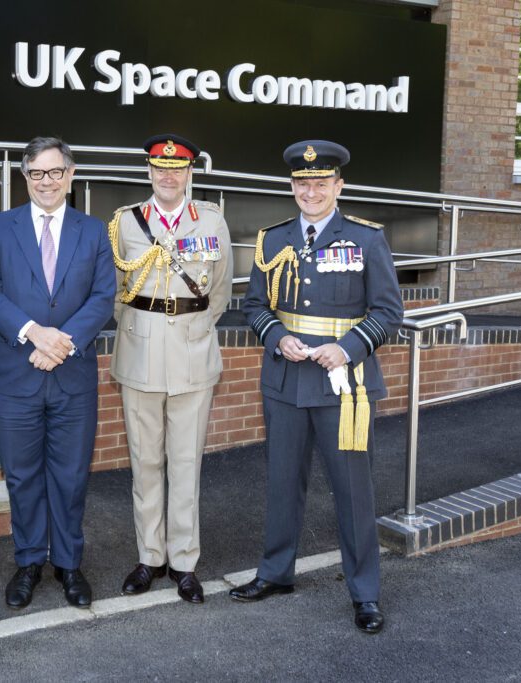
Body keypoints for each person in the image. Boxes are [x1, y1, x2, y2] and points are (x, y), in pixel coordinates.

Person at [234, 140, 403, 634]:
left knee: (354, 492)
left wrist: (349, 347)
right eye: (302, 183)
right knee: (283, 483)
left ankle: (365, 593)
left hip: (344, 385)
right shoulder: (272, 239)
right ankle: (276, 572)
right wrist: (277, 336)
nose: (311, 191)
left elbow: (388, 312)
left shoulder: (367, 239)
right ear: (292, 186)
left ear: (338, 186)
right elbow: (254, 306)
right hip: (286, 380)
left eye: (321, 183)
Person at [0, 136, 116, 609]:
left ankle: (69, 565)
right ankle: (30, 560)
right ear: (25, 178)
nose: (47, 182)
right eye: (37, 174)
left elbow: (102, 298)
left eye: (56, 172)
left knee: (72, 475)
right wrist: (36, 334)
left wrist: (62, 343)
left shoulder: (93, 231)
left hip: (72, 377)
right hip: (17, 376)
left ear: (70, 175)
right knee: (21, 475)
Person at [108, 135, 233, 604]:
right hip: (138, 354)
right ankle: (150, 557)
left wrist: (190, 329)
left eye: (176, 169)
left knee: (185, 464)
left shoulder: (213, 222)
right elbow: (117, 289)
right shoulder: (124, 223)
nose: (167, 176)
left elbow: (218, 291)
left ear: (188, 174)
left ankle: (184, 562)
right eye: (159, 169)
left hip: (192, 352)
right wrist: (142, 328)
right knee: (144, 463)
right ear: (149, 172)